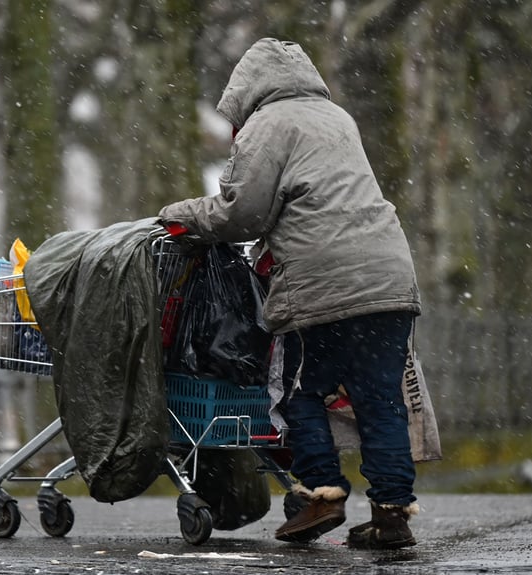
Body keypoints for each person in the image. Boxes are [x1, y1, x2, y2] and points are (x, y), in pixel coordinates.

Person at [158, 37, 422, 550]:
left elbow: (244, 213)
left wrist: (180, 214)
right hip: (390, 277)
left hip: (323, 280)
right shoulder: (337, 117)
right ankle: (392, 515)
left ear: (246, 90)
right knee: (380, 402)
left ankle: (321, 494)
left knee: (298, 391)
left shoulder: (267, 124)